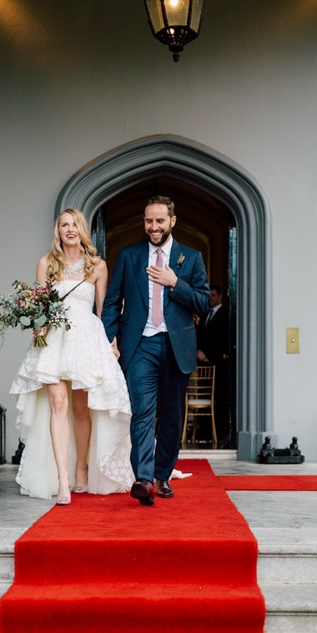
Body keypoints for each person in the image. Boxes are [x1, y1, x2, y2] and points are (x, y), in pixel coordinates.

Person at [10, 209, 133, 504]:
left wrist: (112, 342)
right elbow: (38, 305)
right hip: (54, 339)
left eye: (74, 224)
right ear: (58, 231)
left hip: (86, 340)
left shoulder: (97, 267)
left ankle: (81, 467)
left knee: (80, 409)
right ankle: (63, 480)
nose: (70, 229)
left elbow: (104, 311)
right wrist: (36, 328)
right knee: (57, 403)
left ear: (82, 230)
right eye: (64, 224)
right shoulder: (46, 264)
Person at [102, 195, 210, 505]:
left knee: (172, 416)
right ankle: (144, 479)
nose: (154, 227)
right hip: (141, 345)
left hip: (177, 346)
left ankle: (163, 474)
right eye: (149, 221)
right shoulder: (129, 255)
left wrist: (175, 282)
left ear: (172, 221)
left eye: (160, 221)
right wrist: (109, 339)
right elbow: (112, 302)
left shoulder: (191, 258)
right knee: (142, 413)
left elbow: (203, 301)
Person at [197, 284, 230, 444]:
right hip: (202, 366)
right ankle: (203, 433)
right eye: (209, 296)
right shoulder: (204, 315)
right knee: (202, 397)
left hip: (218, 365)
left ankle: (218, 434)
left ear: (220, 296)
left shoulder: (226, 315)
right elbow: (199, 336)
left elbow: (224, 340)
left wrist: (208, 356)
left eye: (214, 295)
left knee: (218, 399)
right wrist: (198, 352)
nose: (211, 299)